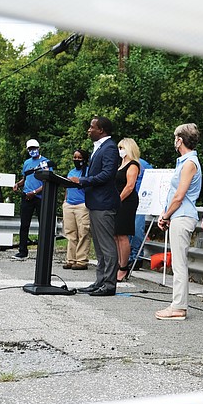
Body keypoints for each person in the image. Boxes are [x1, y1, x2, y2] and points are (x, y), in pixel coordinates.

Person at [154, 123, 202, 321]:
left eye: (176, 138)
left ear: (180, 140)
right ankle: (177, 303)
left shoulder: (190, 163)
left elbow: (179, 195)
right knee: (178, 261)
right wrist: (166, 214)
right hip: (177, 215)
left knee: (179, 263)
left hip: (183, 215)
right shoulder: (184, 162)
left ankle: (179, 306)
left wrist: (166, 215)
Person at [71, 116, 120, 297]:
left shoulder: (110, 148)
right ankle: (100, 281)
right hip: (95, 203)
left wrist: (83, 180)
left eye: (92, 127)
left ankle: (109, 283)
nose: (88, 130)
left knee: (107, 246)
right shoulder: (99, 147)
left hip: (104, 203)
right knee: (99, 247)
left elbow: (107, 174)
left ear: (101, 130)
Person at [12, 139, 50, 260]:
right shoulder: (27, 163)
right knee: (24, 224)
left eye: (34, 148)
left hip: (39, 196)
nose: (32, 150)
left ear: (39, 148)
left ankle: (43, 252)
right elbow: (26, 178)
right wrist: (18, 184)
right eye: (30, 149)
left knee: (43, 224)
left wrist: (34, 192)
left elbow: (47, 181)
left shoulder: (45, 162)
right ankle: (22, 251)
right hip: (27, 195)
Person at [114, 138, 141, 282]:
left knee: (122, 234)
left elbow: (130, 186)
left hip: (126, 201)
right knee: (115, 234)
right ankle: (118, 263)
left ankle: (124, 267)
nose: (120, 150)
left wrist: (118, 199)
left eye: (122, 147)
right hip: (117, 200)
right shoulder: (120, 164)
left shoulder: (133, 165)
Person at [62, 149, 91, 270]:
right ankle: (71, 259)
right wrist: (65, 201)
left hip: (82, 205)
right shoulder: (71, 171)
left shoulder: (88, 171)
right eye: (75, 157)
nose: (77, 160)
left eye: (79, 158)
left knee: (83, 232)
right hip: (69, 204)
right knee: (70, 233)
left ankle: (81, 260)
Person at [129, 157, 153, 269]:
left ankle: (136, 258)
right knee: (126, 232)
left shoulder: (143, 164)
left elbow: (153, 179)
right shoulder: (122, 163)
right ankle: (128, 257)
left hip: (140, 202)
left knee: (137, 231)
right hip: (127, 201)